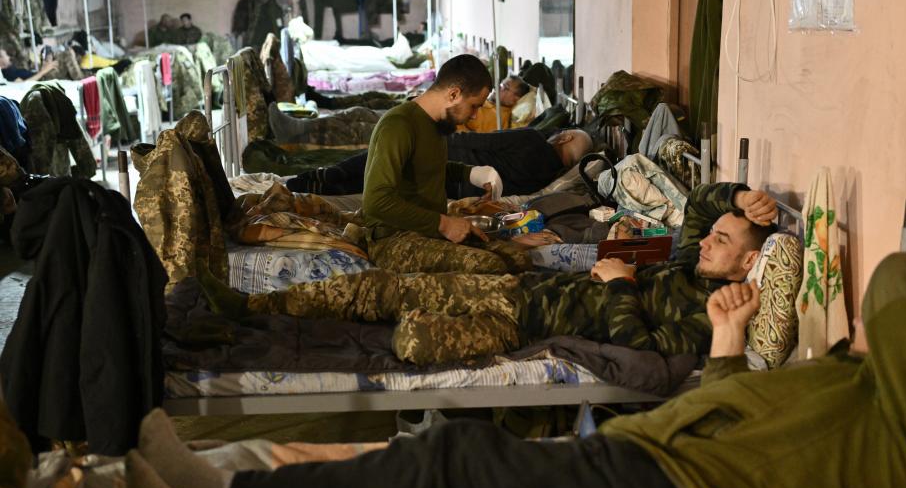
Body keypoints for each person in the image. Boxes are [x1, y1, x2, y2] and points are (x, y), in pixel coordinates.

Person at [125, 252, 906, 488]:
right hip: (662, 456)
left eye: (729, 243)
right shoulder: (872, 389)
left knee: (451, 460)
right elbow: (749, 418)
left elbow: (900, 280)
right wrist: (730, 349)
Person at [199, 181, 777, 365]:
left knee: (401, 334)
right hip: (519, 289)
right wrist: (741, 197)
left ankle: (255, 336)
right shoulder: (691, 263)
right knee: (382, 288)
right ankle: (251, 309)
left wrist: (620, 285)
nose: (704, 242)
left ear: (749, 264)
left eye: (722, 241)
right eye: (710, 235)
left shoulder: (713, 317)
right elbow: (703, 204)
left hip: (525, 323)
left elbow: (641, 349)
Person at [358, 53, 532, 274]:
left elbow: (425, 166)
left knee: (519, 259)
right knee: (491, 266)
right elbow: (375, 201)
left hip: (427, 231)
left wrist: (472, 173)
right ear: (453, 94)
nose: (475, 116)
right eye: (474, 106)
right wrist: (443, 223)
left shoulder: (435, 124)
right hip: (394, 238)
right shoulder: (398, 125)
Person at [285, 127, 594, 198]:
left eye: (564, 131)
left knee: (382, 158)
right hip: (455, 191)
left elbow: (479, 141)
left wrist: (437, 138)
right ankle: (323, 189)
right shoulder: (548, 179)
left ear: (564, 138)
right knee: (383, 184)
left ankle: (320, 177)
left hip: (452, 161)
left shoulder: (532, 139)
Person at [456, 74, 531, 133]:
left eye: (505, 87)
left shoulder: (497, 118)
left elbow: (474, 139)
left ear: (515, 99)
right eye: (501, 84)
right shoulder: (488, 103)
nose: (497, 87)